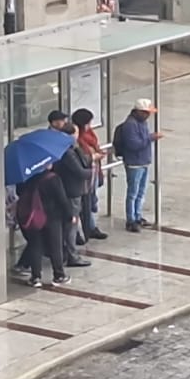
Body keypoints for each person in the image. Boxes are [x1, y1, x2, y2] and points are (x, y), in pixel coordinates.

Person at [16, 170, 70, 287]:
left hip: (33, 217)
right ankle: (59, 275)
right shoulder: (53, 178)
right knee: (55, 246)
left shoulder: (26, 178)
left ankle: (35, 277)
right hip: (52, 218)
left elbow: (19, 192)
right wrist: (70, 216)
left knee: (35, 246)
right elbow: (62, 199)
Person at [112, 100, 160, 232]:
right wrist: (151, 138)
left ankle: (138, 215)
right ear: (139, 111)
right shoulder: (130, 125)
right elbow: (134, 144)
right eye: (146, 113)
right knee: (133, 192)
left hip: (144, 161)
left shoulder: (142, 122)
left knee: (141, 191)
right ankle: (131, 219)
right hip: (134, 163)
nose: (148, 116)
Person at [53, 123, 93, 268]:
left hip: (69, 191)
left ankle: (66, 252)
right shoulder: (68, 153)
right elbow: (80, 171)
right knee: (71, 224)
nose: (77, 135)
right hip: (72, 192)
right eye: (75, 133)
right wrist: (91, 172)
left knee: (69, 224)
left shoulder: (68, 149)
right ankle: (72, 255)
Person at [72, 108, 108, 241]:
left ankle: (91, 227)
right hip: (85, 177)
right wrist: (94, 156)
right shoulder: (78, 140)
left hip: (93, 173)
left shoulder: (90, 135)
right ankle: (81, 231)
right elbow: (82, 157)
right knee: (82, 205)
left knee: (92, 201)